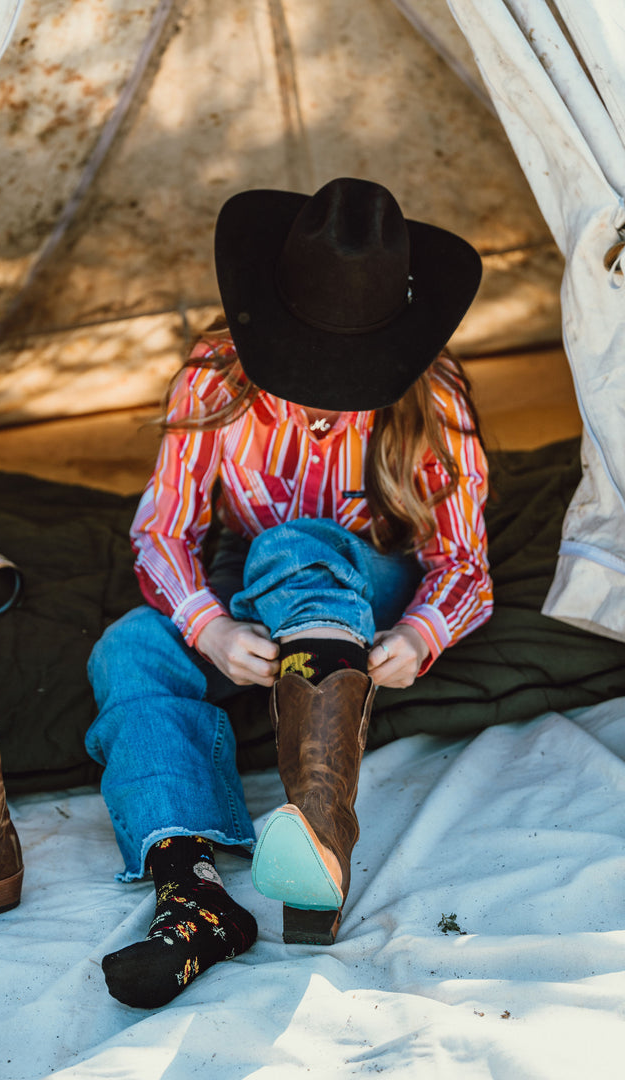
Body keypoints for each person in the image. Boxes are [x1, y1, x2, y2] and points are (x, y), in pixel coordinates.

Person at [85, 177, 493, 1009]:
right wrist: (206, 629)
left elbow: (465, 565)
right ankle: (193, 895)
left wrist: (418, 636)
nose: (316, 391)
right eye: (303, 366)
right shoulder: (214, 378)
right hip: (250, 589)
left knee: (295, 542)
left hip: (363, 583)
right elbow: (162, 532)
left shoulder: (433, 400)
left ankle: (320, 829)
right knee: (128, 648)